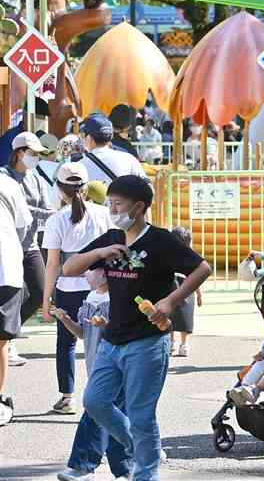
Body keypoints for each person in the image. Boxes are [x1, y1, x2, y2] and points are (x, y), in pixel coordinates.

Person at [63, 175, 212, 480]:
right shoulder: (111, 237)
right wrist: (100, 254)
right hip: (111, 339)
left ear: (139, 207)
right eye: (110, 203)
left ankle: (145, 473)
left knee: (142, 416)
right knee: (94, 401)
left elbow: (202, 268)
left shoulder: (160, 239)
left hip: (148, 342)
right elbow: (69, 267)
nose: (112, 209)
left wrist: (170, 302)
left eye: (118, 204)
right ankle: (146, 448)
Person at [42, 162, 114, 415]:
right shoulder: (104, 214)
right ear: (85, 187)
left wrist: (45, 300)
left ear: (60, 190)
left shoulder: (56, 220)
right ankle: (104, 393)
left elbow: (52, 264)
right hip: (102, 287)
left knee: (66, 343)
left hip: (67, 288)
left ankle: (67, 397)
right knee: (105, 342)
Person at [52, 269, 132, 481]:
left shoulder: (117, 298)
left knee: (97, 412)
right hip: (96, 367)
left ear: (106, 274)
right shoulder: (90, 297)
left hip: (115, 366)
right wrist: (66, 320)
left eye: (92, 269)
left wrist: (106, 326)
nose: (87, 273)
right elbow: (82, 333)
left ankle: (84, 466)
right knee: (112, 416)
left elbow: (124, 333)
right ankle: (126, 468)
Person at [1, 132, 54, 367]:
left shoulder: (37, 179)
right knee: (10, 296)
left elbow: (44, 207)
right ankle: (7, 341)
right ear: (18, 152)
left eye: (38, 154)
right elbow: (26, 209)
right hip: (7, 246)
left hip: (30, 245)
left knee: (42, 293)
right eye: (31, 153)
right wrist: (45, 213)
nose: (35, 158)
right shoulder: (4, 176)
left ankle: (8, 335)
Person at [0, 170, 32, 427]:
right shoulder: (9, 184)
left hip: (6, 267)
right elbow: (23, 226)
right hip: (6, 267)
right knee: (0, 341)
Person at [79, 113, 146, 185]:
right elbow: (148, 188)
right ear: (111, 137)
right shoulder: (129, 159)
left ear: (89, 138)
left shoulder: (79, 166)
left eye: (83, 136)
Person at [170, 227, 203, 357]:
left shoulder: (168, 255)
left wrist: (199, 294)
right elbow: (197, 276)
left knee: (174, 316)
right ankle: (181, 344)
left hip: (175, 287)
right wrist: (199, 294)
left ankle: (174, 343)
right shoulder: (191, 256)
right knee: (183, 316)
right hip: (187, 287)